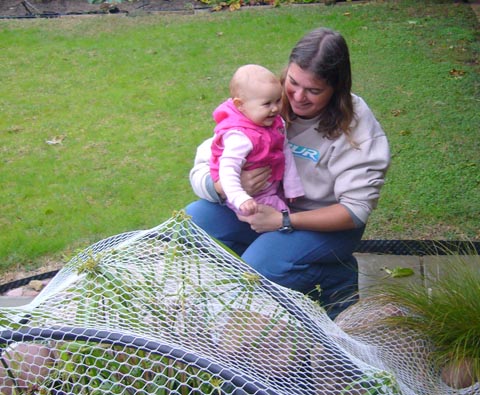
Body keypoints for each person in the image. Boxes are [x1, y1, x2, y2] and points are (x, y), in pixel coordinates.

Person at [186, 27, 391, 320]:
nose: (297, 97)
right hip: (269, 206)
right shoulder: (265, 101)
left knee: (258, 268)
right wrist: (225, 187)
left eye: (314, 90)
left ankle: (331, 277)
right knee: (194, 222)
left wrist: (281, 221)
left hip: (325, 224)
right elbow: (205, 165)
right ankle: (309, 266)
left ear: (337, 89)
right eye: (293, 83)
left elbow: (355, 212)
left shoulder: (357, 127)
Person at [210, 64, 304, 216]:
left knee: (283, 211)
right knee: (283, 216)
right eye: (267, 104)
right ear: (240, 105)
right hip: (250, 197)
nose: (275, 108)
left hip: (270, 187)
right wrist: (240, 198)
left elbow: (285, 151)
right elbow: (227, 170)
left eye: (278, 100)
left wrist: (292, 186)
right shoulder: (240, 137)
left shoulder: (275, 123)